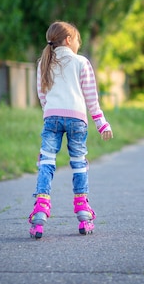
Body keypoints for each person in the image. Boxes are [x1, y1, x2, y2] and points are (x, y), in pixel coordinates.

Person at [28, 21, 113, 239]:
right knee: (78, 163)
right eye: (77, 40)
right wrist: (101, 122)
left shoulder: (43, 63)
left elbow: (42, 94)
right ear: (68, 40)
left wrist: (49, 113)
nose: (78, 44)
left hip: (52, 118)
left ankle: (40, 210)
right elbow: (91, 98)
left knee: (46, 161)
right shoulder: (81, 62)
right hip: (77, 119)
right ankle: (83, 211)